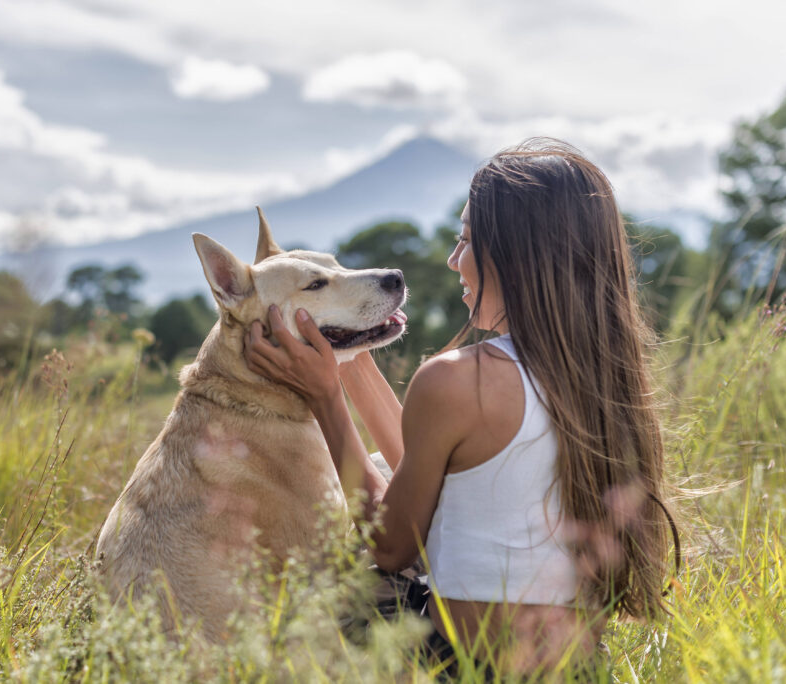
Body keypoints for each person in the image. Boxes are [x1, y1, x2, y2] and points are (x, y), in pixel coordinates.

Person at [243, 138, 676, 676]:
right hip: (576, 668)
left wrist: (326, 398)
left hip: (457, 667)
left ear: (514, 254)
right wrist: (350, 357)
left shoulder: (456, 380)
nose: (453, 261)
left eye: (464, 241)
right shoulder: (610, 383)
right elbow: (435, 467)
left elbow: (392, 544)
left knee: (304, 581)